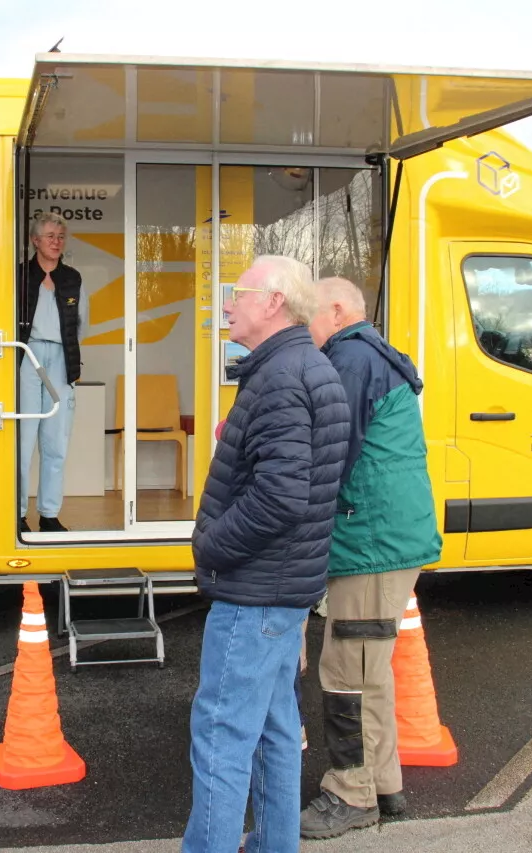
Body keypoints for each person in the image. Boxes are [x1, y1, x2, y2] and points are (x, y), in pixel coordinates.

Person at [182, 255, 350, 853]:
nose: (227, 304)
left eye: (237, 292)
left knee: (222, 736)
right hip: (285, 591)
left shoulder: (281, 378)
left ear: (273, 300)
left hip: (255, 593)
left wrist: (211, 545)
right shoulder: (307, 367)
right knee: (276, 732)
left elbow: (280, 497)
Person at [299, 276, 443, 840]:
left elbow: (331, 455)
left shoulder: (352, 361)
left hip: (371, 542)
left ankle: (351, 794)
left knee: (346, 675)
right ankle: (383, 783)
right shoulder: (370, 354)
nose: (304, 327)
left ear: (336, 311)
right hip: (386, 538)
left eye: (310, 314)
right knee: (369, 670)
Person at [16, 211, 84, 533]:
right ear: (35, 241)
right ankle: (16, 513)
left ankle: (48, 514)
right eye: (50, 236)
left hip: (60, 357)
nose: (56, 242)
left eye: (60, 237)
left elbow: (81, 323)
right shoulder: (18, 276)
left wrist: (72, 358)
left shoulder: (73, 277)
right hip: (27, 356)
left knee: (56, 440)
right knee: (22, 440)